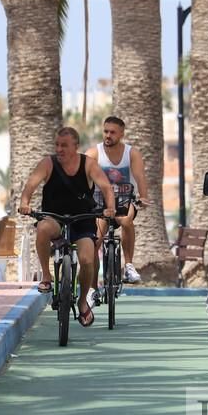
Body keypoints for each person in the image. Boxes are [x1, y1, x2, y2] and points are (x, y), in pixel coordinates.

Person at [18, 127, 115, 327]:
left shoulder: (88, 164)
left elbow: (106, 187)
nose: (59, 149)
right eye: (57, 145)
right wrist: (25, 203)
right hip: (55, 218)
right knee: (43, 228)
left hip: (83, 219)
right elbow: (30, 185)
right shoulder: (48, 163)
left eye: (64, 145)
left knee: (87, 259)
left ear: (75, 146)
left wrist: (110, 208)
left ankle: (82, 302)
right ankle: (46, 275)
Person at [85, 116, 150, 301]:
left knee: (126, 220)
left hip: (124, 201)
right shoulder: (94, 153)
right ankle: (92, 289)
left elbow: (140, 177)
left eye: (113, 132)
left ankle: (128, 266)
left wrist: (143, 198)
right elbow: (82, 179)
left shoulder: (131, 154)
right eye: (106, 131)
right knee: (95, 241)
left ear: (121, 134)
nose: (108, 135)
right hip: (101, 203)